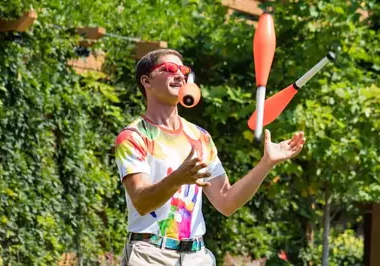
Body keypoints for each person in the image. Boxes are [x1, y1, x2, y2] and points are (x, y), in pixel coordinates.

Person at [114, 49, 305, 265]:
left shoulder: (200, 137)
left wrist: (266, 163)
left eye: (183, 70)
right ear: (146, 81)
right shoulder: (133, 137)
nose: (179, 75)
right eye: (169, 69)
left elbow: (226, 201)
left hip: (196, 256)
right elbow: (141, 201)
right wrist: (177, 178)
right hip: (150, 255)